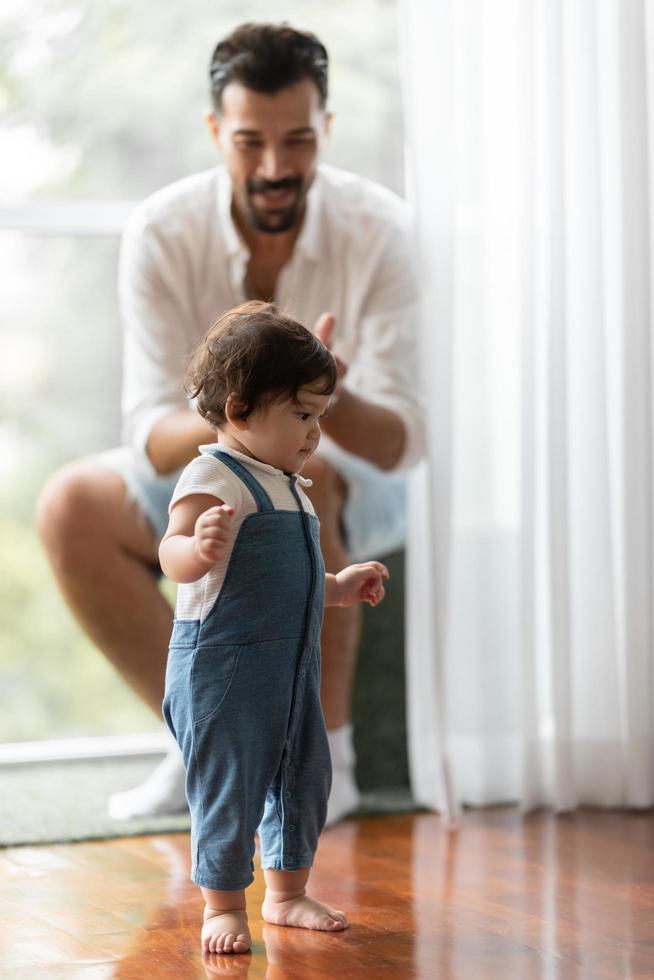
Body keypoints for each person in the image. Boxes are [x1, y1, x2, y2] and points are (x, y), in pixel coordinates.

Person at [36, 22, 423, 825]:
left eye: (298, 141)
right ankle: (198, 742)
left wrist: (320, 398)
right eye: (250, 142)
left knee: (301, 472)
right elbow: (147, 430)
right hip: (206, 454)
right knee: (69, 503)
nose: (276, 168)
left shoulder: (380, 227)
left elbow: (401, 441)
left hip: (355, 476)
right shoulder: (161, 230)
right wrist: (252, 411)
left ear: (327, 130)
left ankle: (329, 762)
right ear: (216, 131)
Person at [160, 301, 389, 954]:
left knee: (301, 778)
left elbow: (294, 581)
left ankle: (287, 895)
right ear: (239, 410)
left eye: (318, 416)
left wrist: (339, 588)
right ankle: (222, 903)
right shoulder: (213, 474)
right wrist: (197, 550)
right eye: (303, 415)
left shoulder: (290, 483)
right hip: (222, 668)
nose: (316, 432)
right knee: (230, 784)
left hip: (291, 668)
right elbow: (170, 553)